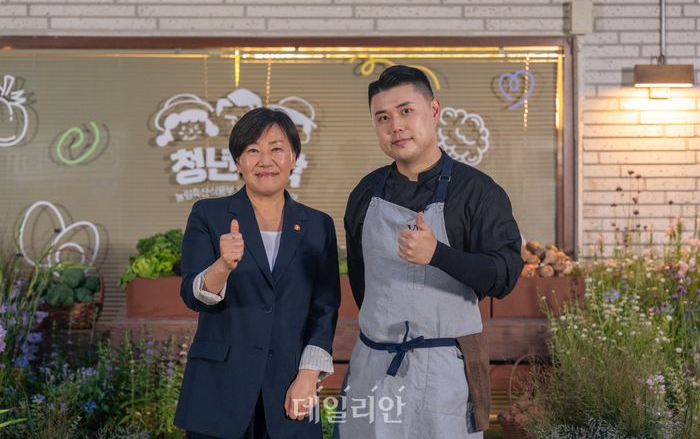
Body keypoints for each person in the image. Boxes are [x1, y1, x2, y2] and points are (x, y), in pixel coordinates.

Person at [336, 66, 523, 438]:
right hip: (375, 365)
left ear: (434, 111)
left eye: (406, 111)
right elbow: (363, 284)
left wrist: (438, 254)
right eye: (383, 118)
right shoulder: (364, 194)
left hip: (444, 369)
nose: (395, 126)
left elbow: (504, 275)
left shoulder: (478, 193)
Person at [174, 108, 341, 439]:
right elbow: (193, 296)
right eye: (253, 150)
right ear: (238, 162)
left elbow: (325, 308)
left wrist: (308, 377)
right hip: (219, 389)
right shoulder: (208, 215)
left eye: (276, 149)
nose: (265, 161)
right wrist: (222, 266)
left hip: (289, 387)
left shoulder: (318, 225)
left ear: (294, 159)